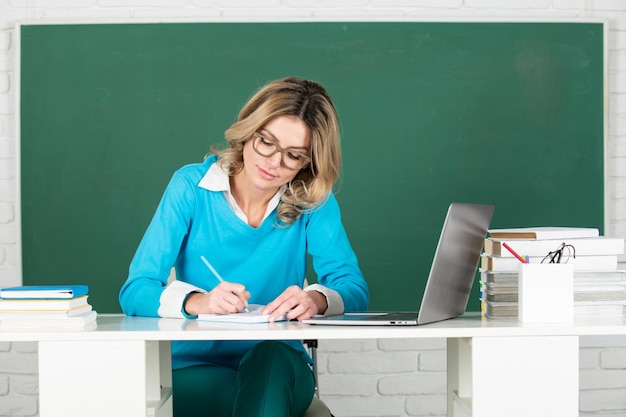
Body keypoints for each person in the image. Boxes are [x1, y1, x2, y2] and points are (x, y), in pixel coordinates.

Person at [119, 76, 369, 417]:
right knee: (259, 402)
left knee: (269, 364)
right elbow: (136, 289)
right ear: (248, 130)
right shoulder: (191, 187)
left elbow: (352, 287)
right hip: (196, 365)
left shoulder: (313, 202)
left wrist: (315, 299)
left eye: (293, 156)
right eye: (266, 142)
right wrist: (200, 301)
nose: (273, 162)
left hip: (280, 365)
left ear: (307, 163)